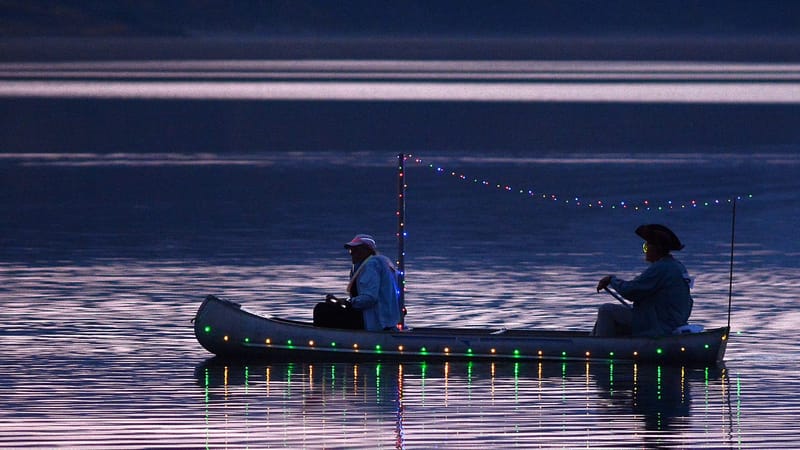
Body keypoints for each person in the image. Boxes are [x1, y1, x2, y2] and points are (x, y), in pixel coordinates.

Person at [592, 224, 694, 337]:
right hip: (670, 322)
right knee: (606, 320)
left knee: (606, 310)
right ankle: (595, 339)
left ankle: (600, 344)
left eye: (646, 247)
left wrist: (612, 280)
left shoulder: (660, 268)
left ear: (656, 249)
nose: (645, 251)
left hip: (659, 325)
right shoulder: (678, 266)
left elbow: (631, 291)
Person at [314, 234, 402, 331]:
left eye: (355, 250)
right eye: (350, 250)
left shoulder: (371, 265)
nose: (351, 254)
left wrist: (348, 302)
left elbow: (369, 298)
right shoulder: (382, 263)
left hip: (373, 321)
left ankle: (323, 336)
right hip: (382, 321)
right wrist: (341, 301)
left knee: (321, 309)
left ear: (366, 250)